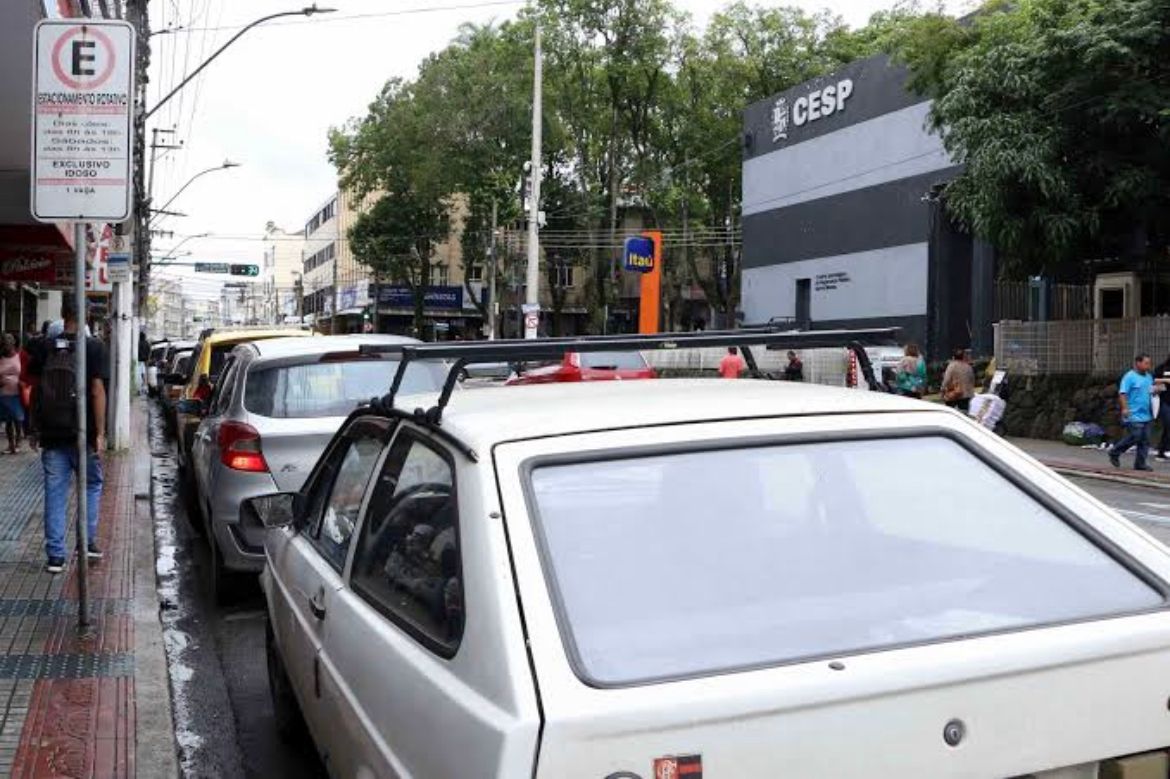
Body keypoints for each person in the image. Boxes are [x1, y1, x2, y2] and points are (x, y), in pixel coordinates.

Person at [27, 299, 108, 574]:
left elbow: (36, 389)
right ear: (86, 315)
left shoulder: (44, 346)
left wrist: (33, 428)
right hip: (83, 434)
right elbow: (97, 391)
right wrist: (100, 433)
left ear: (62, 314)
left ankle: (55, 557)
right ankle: (85, 542)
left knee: (55, 492)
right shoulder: (94, 347)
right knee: (92, 484)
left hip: (51, 432)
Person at [1110, 353, 1156, 472]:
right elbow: (1123, 393)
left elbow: (1151, 391)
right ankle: (1115, 451)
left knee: (1145, 440)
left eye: (1149, 363)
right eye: (1146, 363)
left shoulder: (1149, 377)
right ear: (1138, 363)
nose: (1148, 366)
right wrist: (1125, 408)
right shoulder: (1129, 377)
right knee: (1136, 436)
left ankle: (1140, 463)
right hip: (1133, 413)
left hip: (1146, 413)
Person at [0, 334, 24, 454]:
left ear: (14, 343)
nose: (7, 346)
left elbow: (24, 371)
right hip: (4, 393)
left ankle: (19, 440)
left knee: (18, 418)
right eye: (4, 343)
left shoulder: (19, 356)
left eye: (9, 343)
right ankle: (11, 444)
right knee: (8, 420)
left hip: (17, 392)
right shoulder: (1, 358)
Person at [941, 348, 976, 412]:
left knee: (951, 412)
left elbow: (947, 379)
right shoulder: (968, 366)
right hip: (967, 394)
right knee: (964, 413)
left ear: (953, 357)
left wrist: (942, 390)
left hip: (954, 394)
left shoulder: (951, 366)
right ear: (963, 356)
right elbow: (972, 380)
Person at [1154, 353, 1170, 461]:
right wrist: (1166, 381)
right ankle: (1163, 450)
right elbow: (1154, 383)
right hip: (1166, 401)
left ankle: (1162, 450)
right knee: (1168, 425)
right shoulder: (1163, 368)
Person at [137, 328, 150, 396]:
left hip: (139, 361)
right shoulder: (147, 343)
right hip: (145, 361)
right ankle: (145, 388)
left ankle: (139, 389)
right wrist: (147, 360)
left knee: (139, 375)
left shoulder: (138, 343)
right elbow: (148, 352)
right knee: (144, 374)